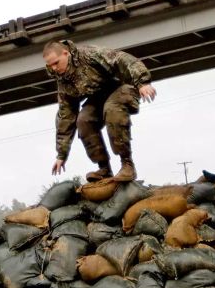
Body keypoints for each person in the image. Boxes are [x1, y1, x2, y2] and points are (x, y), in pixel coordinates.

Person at [43, 40, 157, 182]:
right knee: (83, 120)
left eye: (56, 63)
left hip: (122, 86)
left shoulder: (89, 54)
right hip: (99, 97)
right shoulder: (63, 80)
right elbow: (66, 116)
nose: (54, 68)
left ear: (66, 54)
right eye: (50, 65)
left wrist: (142, 83)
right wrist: (61, 155)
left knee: (112, 109)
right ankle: (104, 169)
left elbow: (121, 59)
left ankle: (127, 164)